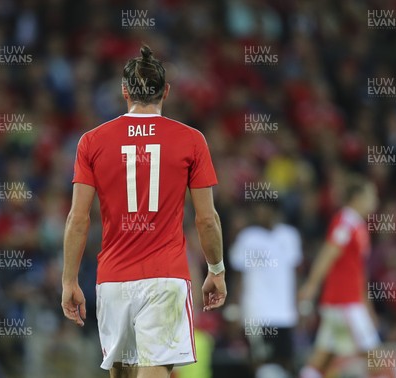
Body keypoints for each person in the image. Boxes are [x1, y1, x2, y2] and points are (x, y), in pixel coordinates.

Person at [61, 45, 227, 378]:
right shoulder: (191, 140)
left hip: (113, 278)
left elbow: (78, 218)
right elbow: (207, 219)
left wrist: (69, 280)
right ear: (166, 91)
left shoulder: (92, 142)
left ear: (124, 91)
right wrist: (217, 269)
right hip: (166, 277)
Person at [298, 175, 380, 378]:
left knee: (322, 361)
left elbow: (359, 271)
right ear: (357, 197)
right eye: (371, 195)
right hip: (345, 302)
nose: (375, 200)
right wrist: (311, 285)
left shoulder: (358, 225)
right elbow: (328, 253)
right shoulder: (346, 221)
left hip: (345, 301)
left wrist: (367, 305)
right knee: (375, 358)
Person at [230, 201, 302, 377]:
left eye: (264, 209)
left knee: (285, 362)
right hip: (256, 313)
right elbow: (238, 277)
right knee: (259, 360)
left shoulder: (289, 236)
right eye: (258, 210)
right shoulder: (247, 238)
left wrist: (300, 305)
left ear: (275, 211)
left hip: (285, 314)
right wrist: (234, 309)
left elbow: (295, 274)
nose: (260, 214)